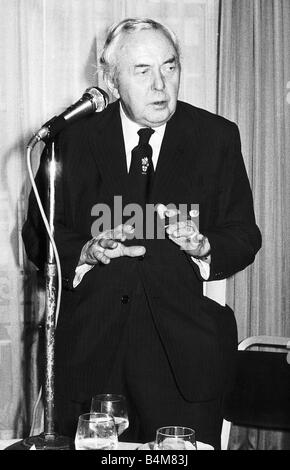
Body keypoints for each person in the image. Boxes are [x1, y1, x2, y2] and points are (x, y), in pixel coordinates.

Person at [22, 18, 262, 449]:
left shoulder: (215, 137)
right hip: (90, 356)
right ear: (110, 79)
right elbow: (39, 236)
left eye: (169, 68)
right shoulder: (70, 141)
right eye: (143, 71)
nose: (160, 85)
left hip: (182, 363)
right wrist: (86, 251)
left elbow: (244, 234)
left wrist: (206, 246)